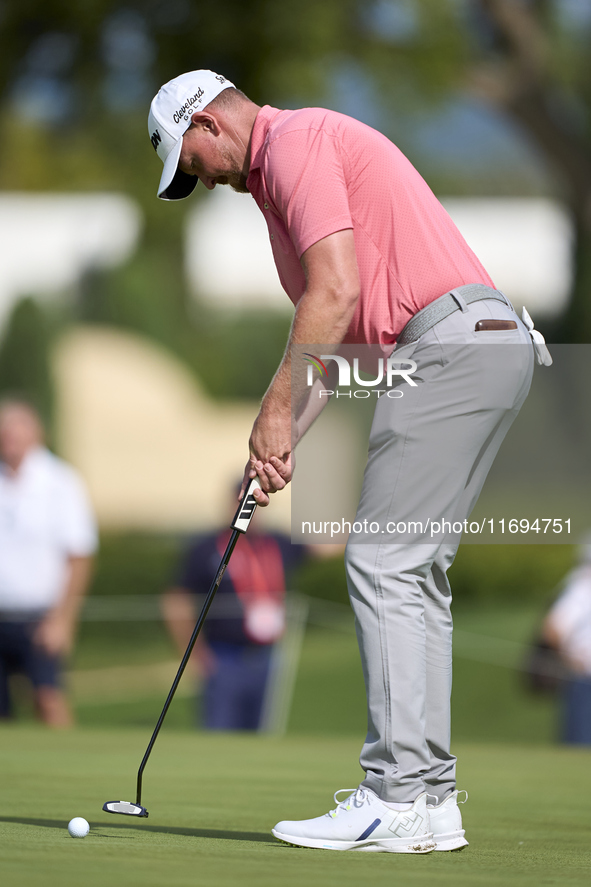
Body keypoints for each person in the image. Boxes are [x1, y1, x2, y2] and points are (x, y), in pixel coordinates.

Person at [148, 70, 550, 853]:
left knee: (382, 560)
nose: (204, 179)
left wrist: (269, 411)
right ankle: (429, 801)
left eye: (192, 162)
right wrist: (286, 435)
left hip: (448, 347)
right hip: (479, 346)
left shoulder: (294, 143)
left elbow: (330, 296)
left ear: (206, 122)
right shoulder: (279, 175)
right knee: (412, 570)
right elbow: (339, 349)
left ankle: (392, 794)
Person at [162, 488, 303, 731]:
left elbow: (328, 546)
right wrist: (195, 654)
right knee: (220, 734)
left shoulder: (276, 544)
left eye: (257, 504)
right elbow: (175, 601)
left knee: (264, 737)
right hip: (224, 657)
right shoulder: (207, 548)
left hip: (268, 656)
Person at [0, 398, 97, 727]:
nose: (8, 437)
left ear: (36, 433)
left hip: (40, 617)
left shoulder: (59, 481)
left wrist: (63, 619)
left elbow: (79, 555)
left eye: (15, 430)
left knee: (48, 700)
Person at [543, 542, 591, 744]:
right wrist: (570, 660)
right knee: (580, 745)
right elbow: (553, 629)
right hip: (584, 680)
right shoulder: (582, 588)